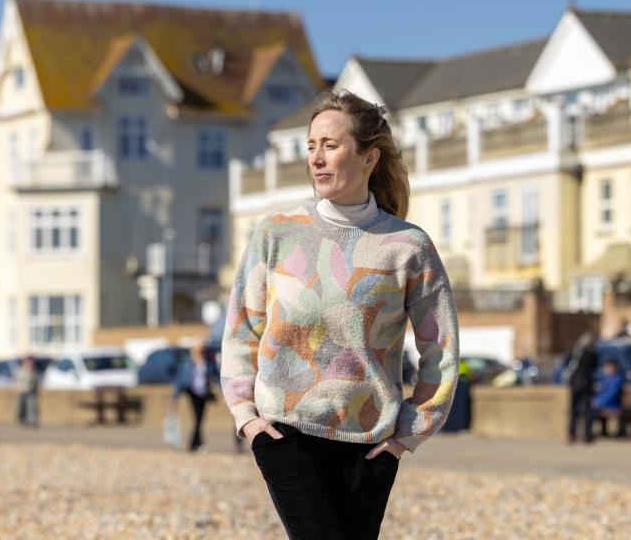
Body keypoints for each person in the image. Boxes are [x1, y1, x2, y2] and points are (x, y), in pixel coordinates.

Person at [221, 89, 460, 540]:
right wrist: (246, 417)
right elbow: (241, 331)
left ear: (369, 158)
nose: (317, 158)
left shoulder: (408, 246)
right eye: (311, 146)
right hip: (286, 434)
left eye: (330, 145)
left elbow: (441, 349)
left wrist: (408, 433)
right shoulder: (278, 234)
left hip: (371, 445)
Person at [170, 342, 218, 452]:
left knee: (200, 419)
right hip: (193, 393)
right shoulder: (188, 362)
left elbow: (214, 375)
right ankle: (194, 444)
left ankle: (197, 444)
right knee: (197, 418)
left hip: (204, 393)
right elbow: (180, 380)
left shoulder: (207, 362)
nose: (200, 353)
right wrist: (175, 397)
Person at [565, 331, 597, 444]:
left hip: (574, 382)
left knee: (573, 410)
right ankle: (587, 434)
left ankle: (572, 434)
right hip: (586, 382)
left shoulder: (573, 352)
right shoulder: (591, 353)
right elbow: (594, 367)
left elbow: (565, 364)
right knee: (586, 409)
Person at [591, 358, 625, 437]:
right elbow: (600, 392)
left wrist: (598, 401)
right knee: (589, 409)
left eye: (607, 367)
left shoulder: (617, 379)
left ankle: (591, 432)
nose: (605, 369)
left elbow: (612, 394)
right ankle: (602, 431)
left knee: (591, 410)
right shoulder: (605, 378)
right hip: (605, 404)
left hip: (613, 404)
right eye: (605, 367)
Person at [15, 356, 39, 427]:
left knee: (31, 407)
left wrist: (36, 390)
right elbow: (18, 381)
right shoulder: (21, 370)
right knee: (21, 407)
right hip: (22, 391)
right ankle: (22, 419)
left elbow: (35, 382)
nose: (30, 364)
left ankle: (32, 421)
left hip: (31, 392)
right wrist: (18, 388)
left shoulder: (33, 372)